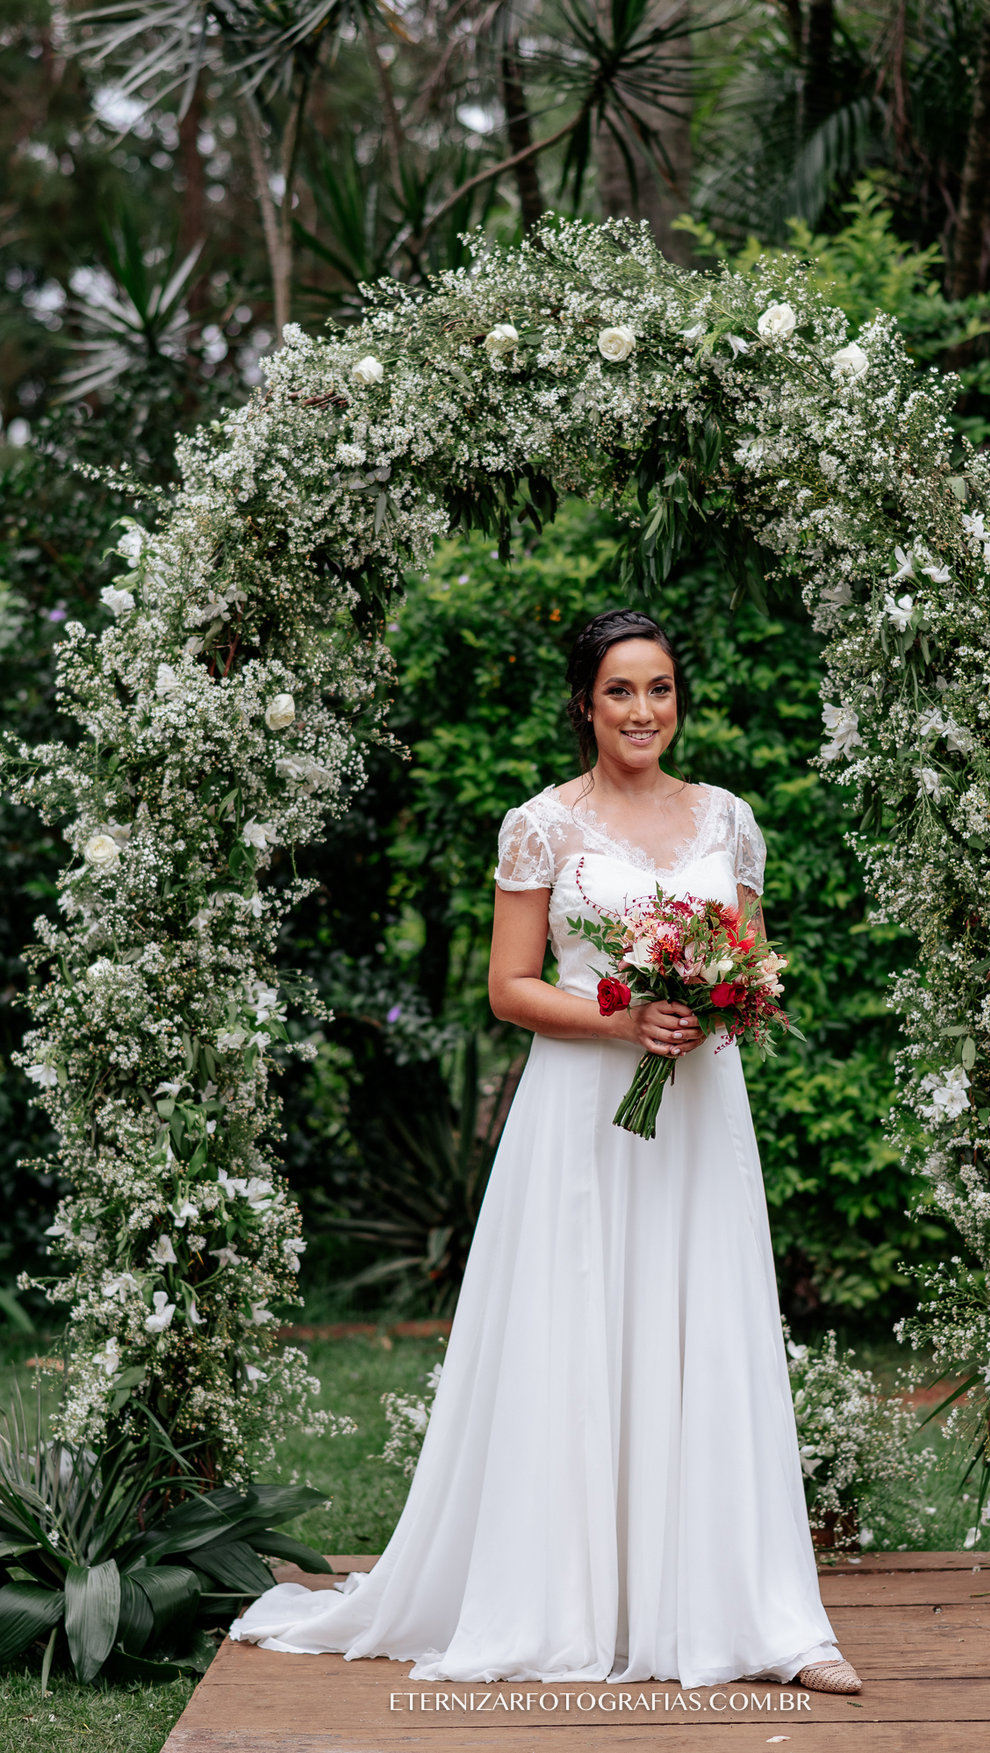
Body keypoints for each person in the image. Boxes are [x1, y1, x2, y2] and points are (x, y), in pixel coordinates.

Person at [229, 607, 861, 1694]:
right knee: (574, 1329)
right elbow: (508, 984)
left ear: (678, 700)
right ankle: (560, 1602)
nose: (643, 711)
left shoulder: (730, 821)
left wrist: (720, 1006)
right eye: (621, 691)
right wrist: (624, 1023)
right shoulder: (540, 826)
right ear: (585, 703)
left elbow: (748, 966)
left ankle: (763, 1620)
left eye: (659, 689)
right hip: (579, 1113)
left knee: (703, 1326)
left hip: (700, 1113)